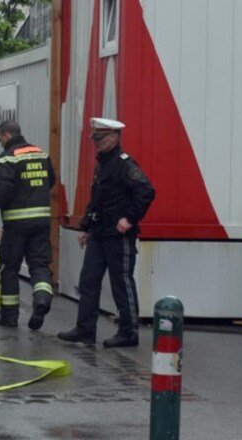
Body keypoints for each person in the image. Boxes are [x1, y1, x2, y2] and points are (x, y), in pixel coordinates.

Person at [57, 118, 154, 348]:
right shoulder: (103, 164)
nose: (96, 144)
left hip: (118, 236)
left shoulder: (125, 164)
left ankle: (128, 332)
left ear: (113, 137)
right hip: (100, 233)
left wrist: (129, 219)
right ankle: (85, 329)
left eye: (100, 139)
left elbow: (146, 191)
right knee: (88, 281)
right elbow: (98, 200)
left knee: (122, 283)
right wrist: (86, 227)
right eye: (95, 139)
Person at [0, 120, 56, 330]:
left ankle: (9, 316)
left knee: (10, 268)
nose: (0, 143)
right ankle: (42, 300)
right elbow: (50, 180)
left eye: (0, 138)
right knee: (39, 265)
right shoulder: (41, 154)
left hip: (16, 224)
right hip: (41, 221)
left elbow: (2, 190)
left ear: (6, 136)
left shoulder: (7, 158)